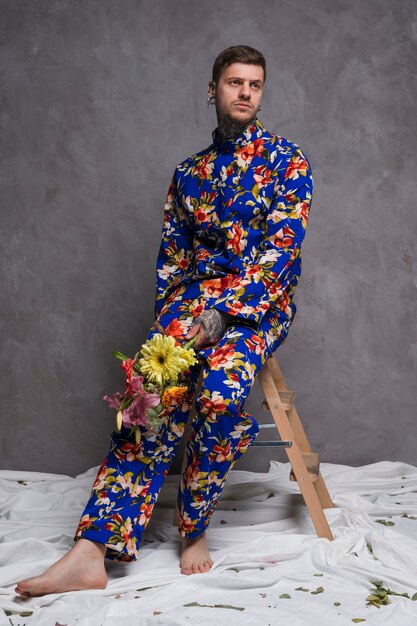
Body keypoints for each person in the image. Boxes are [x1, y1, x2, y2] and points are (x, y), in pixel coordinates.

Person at [16, 44, 313, 597]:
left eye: (255, 84)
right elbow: (171, 263)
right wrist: (172, 326)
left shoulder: (288, 161)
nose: (245, 92)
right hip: (191, 304)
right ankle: (91, 549)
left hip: (256, 306)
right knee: (146, 395)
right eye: (234, 83)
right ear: (213, 90)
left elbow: (283, 253)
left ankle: (194, 527)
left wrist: (222, 315)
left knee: (221, 395)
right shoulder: (188, 174)